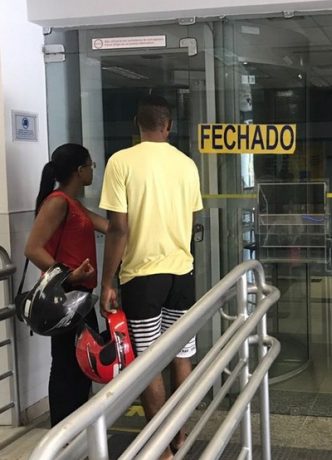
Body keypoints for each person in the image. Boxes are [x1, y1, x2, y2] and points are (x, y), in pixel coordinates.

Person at [99, 95, 203, 459]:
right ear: (168, 126)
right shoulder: (187, 165)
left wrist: (107, 282)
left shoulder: (121, 162)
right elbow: (192, 220)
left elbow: (118, 228)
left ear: (137, 124)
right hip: (182, 272)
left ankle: (161, 450)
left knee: (147, 362)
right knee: (182, 354)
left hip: (142, 277)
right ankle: (180, 435)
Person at [24, 143, 108, 426]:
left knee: (79, 364)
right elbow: (32, 248)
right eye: (91, 165)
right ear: (79, 170)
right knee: (67, 366)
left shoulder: (73, 203)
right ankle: (62, 431)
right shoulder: (58, 202)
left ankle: (73, 430)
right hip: (67, 294)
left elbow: (110, 227)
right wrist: (68, 276)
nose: (93, 170)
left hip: (80, 295)